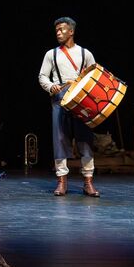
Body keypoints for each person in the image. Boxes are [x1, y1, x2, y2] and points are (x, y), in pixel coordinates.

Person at [37, 17, 100, 197]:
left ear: (71, 31)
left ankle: (88, 182)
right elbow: (42, 76)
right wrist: (51, 87)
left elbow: (94, 75)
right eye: (56, 30)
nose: (58, 33)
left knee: (85, 140)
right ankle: (62, 181)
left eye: (62, 29)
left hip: (81, 100)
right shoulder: (51, 54)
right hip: (60, 98)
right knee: (60, 139)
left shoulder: (85, 53)